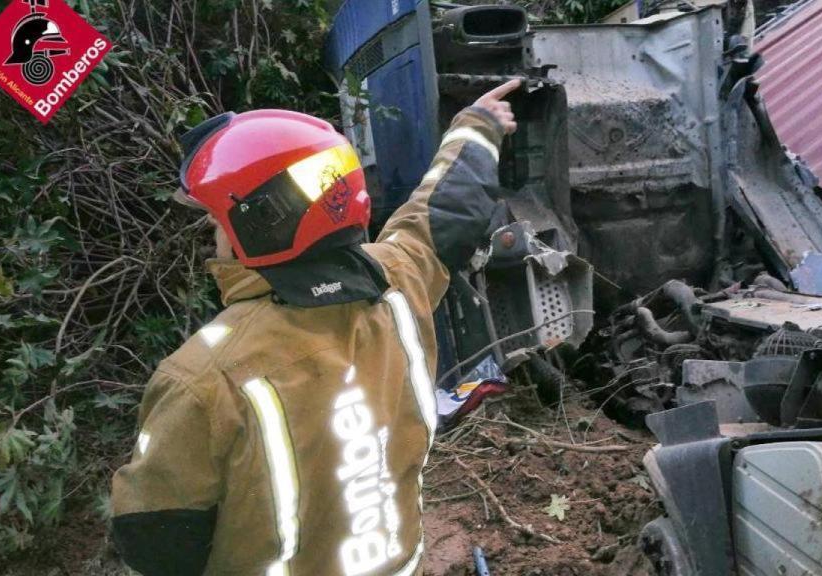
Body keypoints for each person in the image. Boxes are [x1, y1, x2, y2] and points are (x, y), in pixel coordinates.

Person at [110, 79, 521, 576]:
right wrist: (478, 126)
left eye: (217, 220)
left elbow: (156, 542)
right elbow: (446, 209)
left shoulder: (203, 378)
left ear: (257, 225)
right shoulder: (398, 282)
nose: (213, 236)